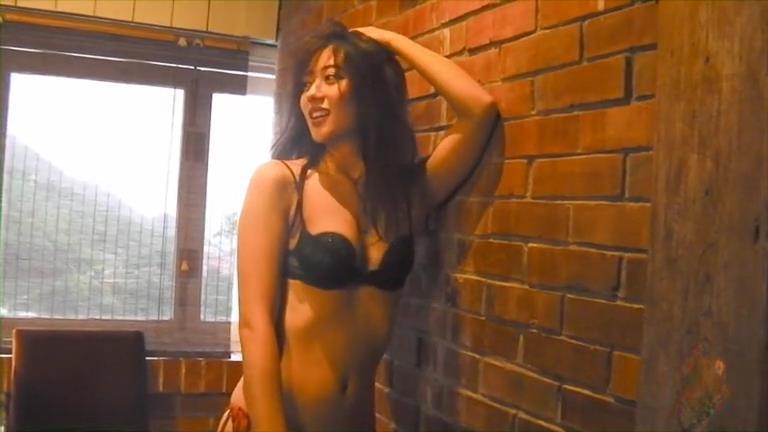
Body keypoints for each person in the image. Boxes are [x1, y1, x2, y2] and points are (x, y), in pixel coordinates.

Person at [218, 20, 499, 432]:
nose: (312, 94)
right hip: (273, 421)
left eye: (331, 77)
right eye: (307, 83)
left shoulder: (406, 196)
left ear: (371, 91)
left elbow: (479, 111)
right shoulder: (282, 184)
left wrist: (391, 42)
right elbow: (254, 324)